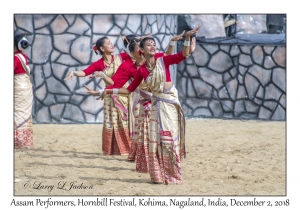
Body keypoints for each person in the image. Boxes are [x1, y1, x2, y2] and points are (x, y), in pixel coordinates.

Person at [98, 25, 201, 184]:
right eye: (149, 45)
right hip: (155, 105)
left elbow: (183, 55)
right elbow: (130, 89)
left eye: (154, 44)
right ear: (142, 50)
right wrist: (109, 91)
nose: (153, 46)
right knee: (156, 139)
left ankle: (172, 174)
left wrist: (187, 38)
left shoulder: (163, 60)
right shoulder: (141, 71)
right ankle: (158, 176)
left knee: (168, 138)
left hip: (169, 103)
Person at [85, 32, 187, 173]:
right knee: (147, 134)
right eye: (142, 47)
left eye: (151, 45)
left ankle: (168, 162)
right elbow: (119, 85)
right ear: (136, 52)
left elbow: (171, 56)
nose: (149, 48)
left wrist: (182, 41)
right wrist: (103, 91)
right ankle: (150, 162)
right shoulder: (131, 68)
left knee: (166, 133)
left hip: (165, 102)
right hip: (144, 104)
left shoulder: (157, 60)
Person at [14, 34, 33, 149]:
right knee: (23, 112)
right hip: (26, 86)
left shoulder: (15, 58)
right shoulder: (23, 57)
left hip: (18, 86)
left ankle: (17, 140)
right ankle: (24, 141)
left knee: (17, 111)